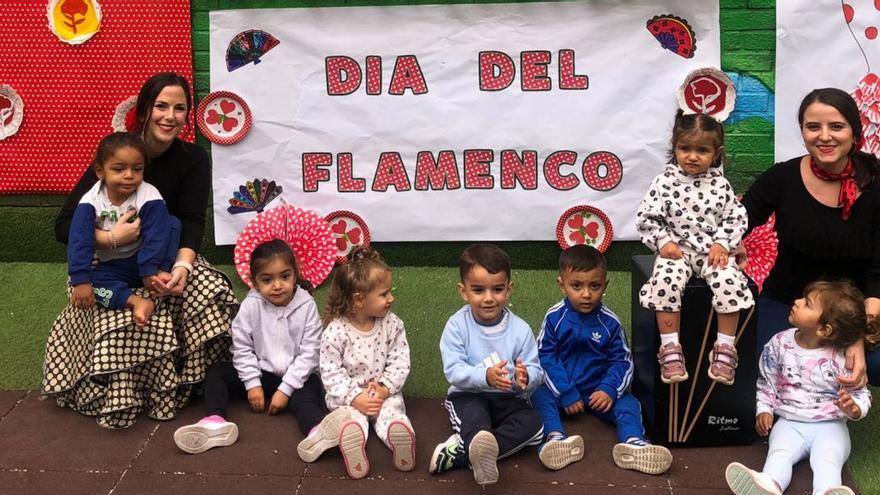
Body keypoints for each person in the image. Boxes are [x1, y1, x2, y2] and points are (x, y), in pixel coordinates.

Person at [43, 72, 236, 429]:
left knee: (207, 288)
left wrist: (182, 267)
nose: (170, 116)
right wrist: (110, 238)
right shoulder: (116, 153)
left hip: (164, 255)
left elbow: (191, 221)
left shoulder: (193, 158)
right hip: (109, 261)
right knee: (110, 303)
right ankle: (124, 391)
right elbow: (64, 227)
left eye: (180, 108)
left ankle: (194, 381)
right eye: (161, 106)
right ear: (145, 109)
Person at [738, 88, 880, 387]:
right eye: (813, 127)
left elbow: (877, 272)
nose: (824, 136)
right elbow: (738, 220)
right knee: (769, 358)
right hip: (789, 300)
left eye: (836, 126)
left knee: (876, 363)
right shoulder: (782, 178)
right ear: (803, 132)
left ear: (854, 132)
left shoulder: (876, 182)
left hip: (860, 305)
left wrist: (857, 334)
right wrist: (729, 240)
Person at [173, 240, 347, 455]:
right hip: (262, 373)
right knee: (217, 372)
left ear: (295, 274)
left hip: (297, 378)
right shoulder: (250, 305)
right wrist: (252, 383)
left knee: (308, 395)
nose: (277, 285)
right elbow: (242, 347)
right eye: (267, 280)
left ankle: (316, 432)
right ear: (255, 282)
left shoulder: (307, 306)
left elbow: (310, 353)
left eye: (285, 276)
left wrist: (286, 390)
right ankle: (215, 421)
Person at [725, 280, 876, 495]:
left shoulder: (843, 356)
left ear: (824, 329)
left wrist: (854, 408)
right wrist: (764, 409)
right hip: (789, 423)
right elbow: (767, 381)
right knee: (779, 453)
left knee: (827, 460)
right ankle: (768, 485)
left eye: (807, 303)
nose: (796, 302)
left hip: (831, 426)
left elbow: (861, 393)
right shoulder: (779, 343)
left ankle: (827, 490)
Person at [532, 245, 673, 474]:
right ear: (562, 285)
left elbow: (622, 361)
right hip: (564, 391)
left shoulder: (610, 322)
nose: (586, 294)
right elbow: (544, 356)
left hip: (598, 394)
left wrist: (608, 390)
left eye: (594, 286)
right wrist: (566, 391)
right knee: (539, 396)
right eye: (577, 286)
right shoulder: (554, 318)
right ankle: (554, 439)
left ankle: (634, 443)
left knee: (629, 403)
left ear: (605, 285)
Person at [637, 110, 754, 385]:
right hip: (677, 252)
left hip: (711, 253)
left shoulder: (721, 186)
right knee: (665, 281)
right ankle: (669, 347)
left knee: (729, 281)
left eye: (702, 150)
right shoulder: (664, 182)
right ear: (675, 148)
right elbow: (646, 217)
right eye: (685, 148)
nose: (692, 156)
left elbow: (735, 217)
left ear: (716, 153)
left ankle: (725, 348)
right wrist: (663, 242)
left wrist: (722, 243)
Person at [429, 243, 544, 486]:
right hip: (468, 395)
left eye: (498, 289)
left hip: (508, 399)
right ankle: (478, 444)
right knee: (476, 421)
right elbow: (453, 371)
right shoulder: (457, 326)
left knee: (534, 425)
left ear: (509, 289)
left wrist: (525, 378)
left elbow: (535, 369)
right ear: (464, 291)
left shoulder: (520, 329)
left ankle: (464, 454)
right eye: (479, 290)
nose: (489, 298)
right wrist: (485, 377)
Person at [307, 247, 415, 479]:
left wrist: (385, 388)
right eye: (384, 294)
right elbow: (331, 373)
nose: (391, 298)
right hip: (348, 396)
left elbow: (399, 360)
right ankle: (353, 438)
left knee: (392, 410)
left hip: (383, 392)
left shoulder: (393, 324)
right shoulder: (335, 332)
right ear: (359, 299)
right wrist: (355, 397)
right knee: (349, 416)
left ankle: (398, 434)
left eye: (390, 292)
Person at [66, 132, 180, 329]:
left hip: (149, 257)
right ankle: (135, 302)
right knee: (86, 284)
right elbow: (79, 240)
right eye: (119, 169)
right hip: (114, 264)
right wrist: (80, 279)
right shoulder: (90, 202)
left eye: (137, 169)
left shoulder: (149, 195)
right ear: (100, 171)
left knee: (172, 224)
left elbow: (157, 236)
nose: (129, 175)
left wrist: (150, 270)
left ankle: (163, 273)